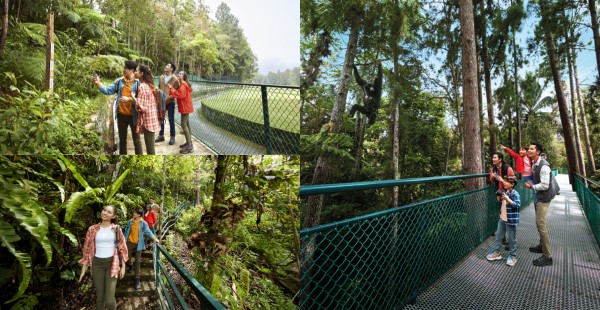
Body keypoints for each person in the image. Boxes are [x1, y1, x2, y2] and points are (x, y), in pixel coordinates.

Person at [79, 205, 128, 310]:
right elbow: (86, 249)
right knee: (100, 298)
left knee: (109, 300)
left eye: (109, 212)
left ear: (114, 216)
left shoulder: (116, 229)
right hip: (97, 265)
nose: (105, 213)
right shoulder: (92, 229)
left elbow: (122, 248)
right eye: (104, 210)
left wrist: (123, 267)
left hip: (112, 264)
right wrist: (84, 269)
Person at [94, 60, 143, 155]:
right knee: (122, 141)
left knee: (137, 141)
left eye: (125, 68)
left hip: (134, 116)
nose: (123, 70)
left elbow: (141, 100)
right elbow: (108, 90)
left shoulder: (138, 84)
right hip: (121, 116)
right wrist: (98, 83)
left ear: (131, 70)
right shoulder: (119, 81)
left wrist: (129, 99)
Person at [525, 142, 560, 267]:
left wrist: (532, 186)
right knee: (539, 223)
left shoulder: (544, 166)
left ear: (538, 151)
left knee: (541, 224)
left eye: (531, 148)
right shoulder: (535, 163)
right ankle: (541, 246)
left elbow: (545, 185)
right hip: (539, 195)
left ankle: (547, 256)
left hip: (544, 197)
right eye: (529, 148)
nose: (529, 150)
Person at [486, 176, 521, 266]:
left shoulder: (515, 193)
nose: (504, 183)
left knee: (511, 239)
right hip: (502, 218)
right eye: (504, 181)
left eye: (507, 182)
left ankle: (513, 256)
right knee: (498, 237)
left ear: (512, 184)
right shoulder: (505, 192)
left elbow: (517, 205)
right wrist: (498, 195)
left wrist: (507, 198)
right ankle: (497, 252)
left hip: (511, 220)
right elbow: (499, 201)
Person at [123, 208, 160, 290]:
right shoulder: (130, 221)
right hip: (129, 242)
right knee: (127, 257)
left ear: (139, 215)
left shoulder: (143, 223)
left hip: (139, 244)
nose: (133, 213)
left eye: (135, 212)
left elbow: (148, 232)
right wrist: (123, 240)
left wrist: (155, 239)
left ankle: (137, 278)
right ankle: (130, 265)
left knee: (138, 261)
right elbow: (126, 231)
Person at [134, 65, 161, 154]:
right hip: (152, 118)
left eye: (137, 71)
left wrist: (134, 99)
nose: (135, 72)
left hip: (147, 120)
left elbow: (142, 107)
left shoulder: (142, 87)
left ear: (141, 74)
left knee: (150, 149)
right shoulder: (150, 85)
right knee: (151, 147)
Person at [168, 71, 195, 154]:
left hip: (185, 106)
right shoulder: (183, 83)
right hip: (186, 105)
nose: (178, 75)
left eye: (180, 74)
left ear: (183, 76)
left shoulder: (183, 84)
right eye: (178, 73)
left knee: (183, 124)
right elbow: (181, 94)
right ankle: (188, 142)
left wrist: (171, 88)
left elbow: (180, 95)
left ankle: (189, 146)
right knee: (187, 123)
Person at [155, 63, 180, 145]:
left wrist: (170, 97)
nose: (166, 66)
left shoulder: (175, 79)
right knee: (161, 118)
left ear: (171, 69)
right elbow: (159, 86)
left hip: (170, 102)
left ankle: (172, 136)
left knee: (171, 119)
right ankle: (161, 135)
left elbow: (177, 91)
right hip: (161, 101)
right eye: (166, 65)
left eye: (168, 66)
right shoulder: (161, 77)